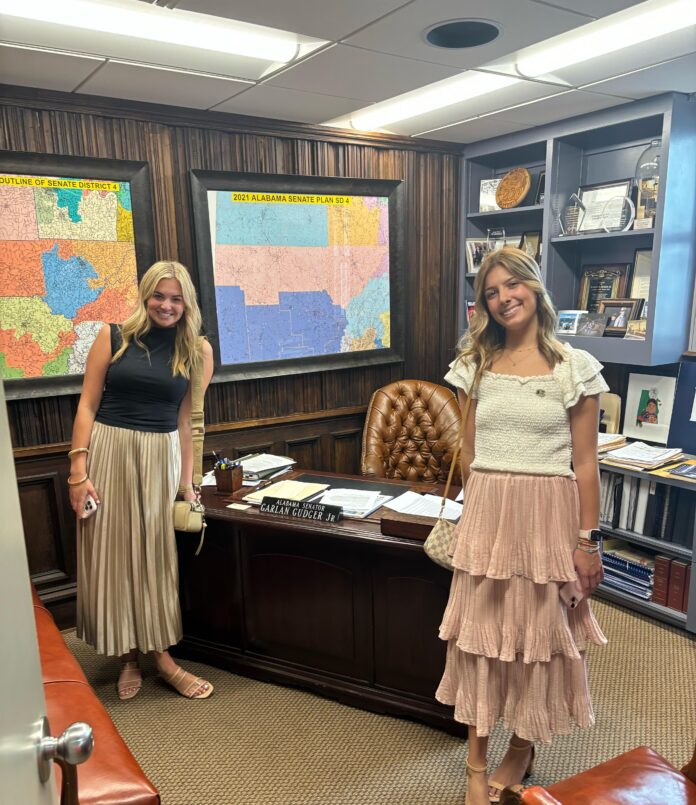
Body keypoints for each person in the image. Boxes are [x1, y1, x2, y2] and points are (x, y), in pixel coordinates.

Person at [436, 247, 608, 805]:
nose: (504, 298)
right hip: (489, 516)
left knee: (539, 638)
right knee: (481, 642)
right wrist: (482, 513)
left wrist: (587, 542)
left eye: (512, 285)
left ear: (534, 287)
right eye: (491, 292)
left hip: (549, 519)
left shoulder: (574, 368)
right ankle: (475, 767)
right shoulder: (473, 366)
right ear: (483, 304)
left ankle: (521, 746)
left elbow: (586, 465)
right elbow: (468, 452)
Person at [68, 260, 215, 701]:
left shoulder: (198, 351)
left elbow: (188, 422)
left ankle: (163, 659)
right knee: (113, 556)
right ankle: (128, 657)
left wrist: (187, 483)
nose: (166, 305)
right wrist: (78, 473)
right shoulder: (112, 337)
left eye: (176, 299)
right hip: (108, 452)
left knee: (156, 557)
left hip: (159, 457)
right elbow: (87, 405)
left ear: (187, 303)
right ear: (145, 296)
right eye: (158, 296)